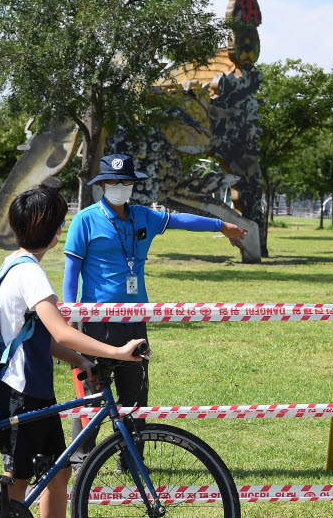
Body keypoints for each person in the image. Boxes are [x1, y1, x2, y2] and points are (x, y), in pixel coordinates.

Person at [0, 185, 145, 518]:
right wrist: (117, 350)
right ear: (55, 229)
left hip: (33, 388)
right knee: (18, 477)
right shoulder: (29, 272)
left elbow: (43, 337)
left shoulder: (15, 263)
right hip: (20, 389)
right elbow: (60, 328)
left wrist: (82, 361)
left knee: (55, 473)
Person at [63, 154, 247, 464]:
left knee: (136, 396)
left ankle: (132, 460)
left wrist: (222, 225)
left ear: (133, 185)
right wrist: (69, 322)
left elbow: (180, 220)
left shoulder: (143, 216)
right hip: (95, 322)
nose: (120, 187)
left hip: (135, 320)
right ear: (103, 185)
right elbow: (71, 276)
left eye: (126, 182)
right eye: (114, 182)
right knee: (93, 393)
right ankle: (80, 459)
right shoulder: (85, 219)